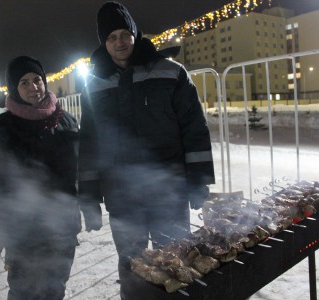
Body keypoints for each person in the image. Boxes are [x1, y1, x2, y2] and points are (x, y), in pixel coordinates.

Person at [78, 2, 215, 298]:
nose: (119, 42)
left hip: (169, 189)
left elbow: (194, 129)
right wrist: (88, 196)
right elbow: (89, 142)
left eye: (124, 34)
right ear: (104, 42)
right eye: (111, 37)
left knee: (177, 258)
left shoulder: (171, 72)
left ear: (135, 34)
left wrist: (199, 180)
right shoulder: (94, 85)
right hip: (121, 194)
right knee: (132, 265)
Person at [0, 56, 83, 300]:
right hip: (22, 231)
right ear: (14, 88)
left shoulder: (66, 121)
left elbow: (79, 172)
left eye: (37, 80)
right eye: (24, 83)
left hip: (61, 228)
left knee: (56, 289)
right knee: (24, 292)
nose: (34, 87)